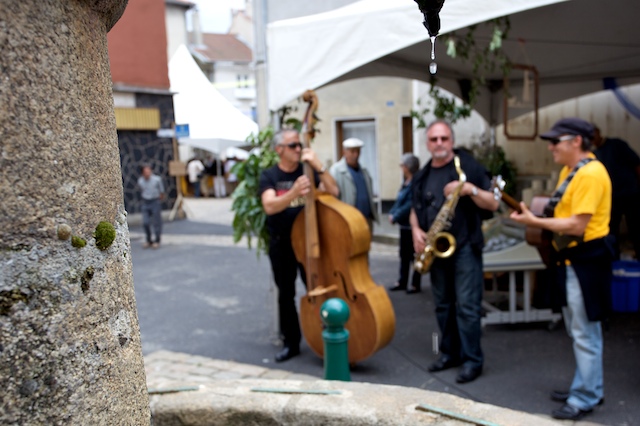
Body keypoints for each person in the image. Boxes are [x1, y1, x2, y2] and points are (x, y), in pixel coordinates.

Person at [510, 118, 613, 421]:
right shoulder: (571, 171)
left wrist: (534, 222)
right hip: (572, 260)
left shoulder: (592, 174)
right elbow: (560, 213)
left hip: (587, 262)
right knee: (578, 329)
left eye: (556, 141)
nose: (551, 146)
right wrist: (537, 217)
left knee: (585, 332)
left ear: (576, 142)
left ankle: (586, 396)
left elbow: (576, 224)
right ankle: (587, 386)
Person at [410, 120, 499, 384]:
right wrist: (416, 230)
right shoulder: (423, 175)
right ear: (427, 144)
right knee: (443, 306)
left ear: (451, 141)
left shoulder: (466, 166)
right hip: (436, 250)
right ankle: (449, 352)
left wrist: (468, 189)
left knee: (468, 308)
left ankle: (473, 360)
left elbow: (493, 203)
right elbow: (414, 208)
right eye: (434, 139)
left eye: (444, 139)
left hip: (465, 248)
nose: (439, 144)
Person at [259, 129, 339, 362]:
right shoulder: (270, 176)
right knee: (286, 295)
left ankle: (327, 336)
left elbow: (334, 191)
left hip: (309, 243)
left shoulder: (309, 171)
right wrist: (293, 192)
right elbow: (270, 206)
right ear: (279, 150)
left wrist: (319, 166)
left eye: (299, 145)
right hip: (282, 244)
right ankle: (291, 342)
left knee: (317, 289)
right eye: (293, 145)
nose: (298, 149)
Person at [592, 125, 640, 259]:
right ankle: (614, 257)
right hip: (611, 197)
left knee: (635, 226)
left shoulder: (617, 145)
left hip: (631, 193)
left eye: (592, 135)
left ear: (598, 132)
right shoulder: (595, 154)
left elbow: (636, 163)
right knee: (612, 229)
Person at [388, 153, 422, 294]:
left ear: (407, 167)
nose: (401, 168)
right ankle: (402, 281)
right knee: (404, 255)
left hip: (412, 225)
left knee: (415, 255)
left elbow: (409, 204)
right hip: (404, 225)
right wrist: (392, 212)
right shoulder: (406, 182)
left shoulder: (416, 182)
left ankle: (415, 283)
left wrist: (395, 215)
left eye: (402, 165)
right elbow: (399, 201)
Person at [329, 138, 378, 232]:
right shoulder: (336, 171)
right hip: (349, 221)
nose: (356, 155)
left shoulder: (364, 171)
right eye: (352, 151)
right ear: (344, 152)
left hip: (365, 219)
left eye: (358, 151)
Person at [137, 163, 165, 249]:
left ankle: (157, 240)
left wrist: (158, 200)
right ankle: (148, 239)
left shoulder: (157, 179)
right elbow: (141, 190)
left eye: (149, 171)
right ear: (142, 173)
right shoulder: (140, 181)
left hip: (155, 201)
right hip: (146, 202)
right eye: (146, 171)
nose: (148, 173)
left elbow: (161, 192)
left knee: (156, 222)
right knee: (146, 222)